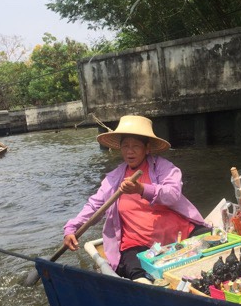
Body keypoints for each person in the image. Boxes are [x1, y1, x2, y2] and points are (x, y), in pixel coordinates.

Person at [63, 115, 210, 283]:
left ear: (147, 149)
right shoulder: (114, 179)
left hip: (178, 235)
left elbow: (172, 194)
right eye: (125, 146)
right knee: (137, 273)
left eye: (135, 146)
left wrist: (141, 189)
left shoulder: (163, 167)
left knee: (215, 241)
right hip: (138, 244)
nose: (129, 151)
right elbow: (94, 206)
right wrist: (71, 228)